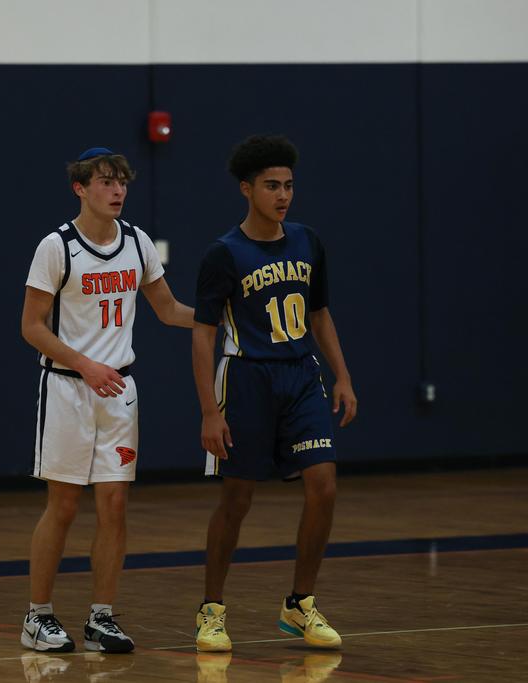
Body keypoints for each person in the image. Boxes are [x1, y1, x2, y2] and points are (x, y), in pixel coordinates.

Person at [20, 147, 194, 653]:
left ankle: (101, 617)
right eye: (106, 182)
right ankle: (37, 616)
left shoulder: (138, 242)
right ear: (80, 188)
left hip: (118, 391)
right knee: (63, 505)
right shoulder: (56, 246)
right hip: (68, 388)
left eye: (122, 182)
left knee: (115, 505)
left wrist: (221, 317)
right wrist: (85, 365)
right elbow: (31, 327)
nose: (117, 190)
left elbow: (168, 310)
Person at [190, 134, 357, 652]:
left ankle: (299, 604)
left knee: (324, 485)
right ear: (247, 189)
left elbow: (319, 313)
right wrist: (210, 410)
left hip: (301, 376)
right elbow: (203, 335)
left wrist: (343, 376)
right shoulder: (224, 253)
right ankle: (211, 611)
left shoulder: (308, 241)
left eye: (288, 185)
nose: (282, 195)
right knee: (237, 499)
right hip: (247, 379)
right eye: (271, 186)